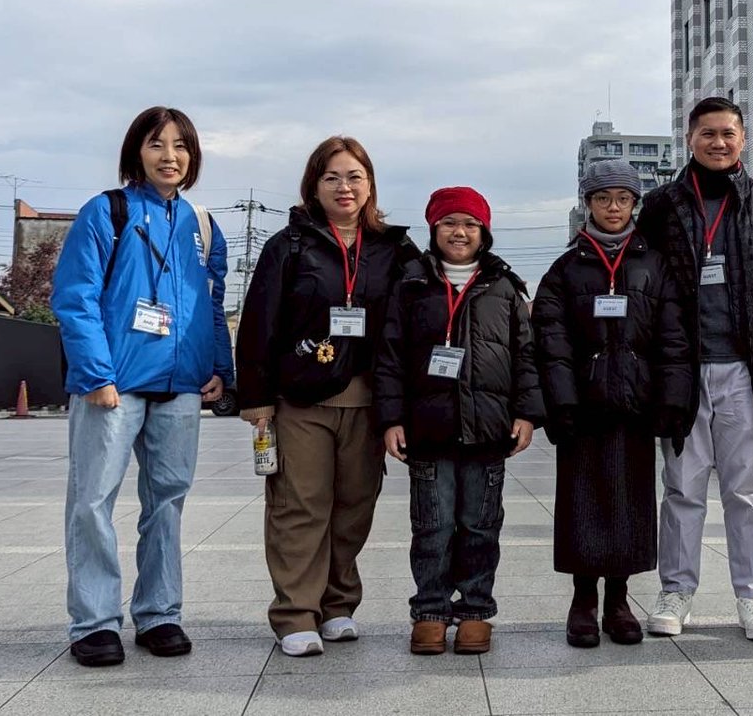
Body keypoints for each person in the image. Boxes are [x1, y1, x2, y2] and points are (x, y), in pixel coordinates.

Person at [52, 106, 233, 667]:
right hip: (115, 383)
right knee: (92, 501)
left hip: (181, 384)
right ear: (137, 152)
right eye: (157, 144)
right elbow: (76, 296)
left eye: (181, 146)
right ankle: (95, 622)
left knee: (167, 503)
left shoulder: (203, 225)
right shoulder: (107, 211)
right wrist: (95, 374)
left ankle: (159, 613)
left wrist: (219, 369)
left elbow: (211, 304)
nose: (170, 156)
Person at [235, 136, 418, 658]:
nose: (344, 187)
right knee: (299, 505)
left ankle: (338, 605)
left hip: (368, 401)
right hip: (301, 400)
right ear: (313, 185)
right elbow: (259, 322)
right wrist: (256, 397)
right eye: (332, 177)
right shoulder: (289, 245)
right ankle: (296, 612)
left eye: (355, 176)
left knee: (354, 507)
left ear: (370, 185)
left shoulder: (393, 249)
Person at [636, 96, 753, 641]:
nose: (718, 143)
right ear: (690, 139)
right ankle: (676, 591)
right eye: (707, 133)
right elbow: (644, 289)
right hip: (683, 370)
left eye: (728, 133)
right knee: (682, 488)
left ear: (743, 140)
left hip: (744, 371)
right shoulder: (661, 206)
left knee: (746, 489)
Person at [376, 186, 545, 656]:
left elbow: (526, 356)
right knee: (431, 527)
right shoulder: (410, 284)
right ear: (433, 229)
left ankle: (475, 611)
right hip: (427, 431)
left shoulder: (504, 287)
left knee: (480, 527)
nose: (460, 232)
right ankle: (430, 611)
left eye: (471, 224)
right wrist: (391, 418)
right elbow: (389, 357)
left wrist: (527, 414)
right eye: (449, 223)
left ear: (484, 232)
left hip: (488, 432)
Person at [533, 160, 693, 648]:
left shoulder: (654, 265)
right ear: (588, 204)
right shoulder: (564, 270)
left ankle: (619, 600)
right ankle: (583, 599)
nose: (613, 208)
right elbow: (551, 342)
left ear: (634, 204)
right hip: (583, 408)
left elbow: (673, 338)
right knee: (582, 503)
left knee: (630, 504)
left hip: (635, 404)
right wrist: (561, 403)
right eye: (603, 198)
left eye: (623, 198)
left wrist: (671, 400)